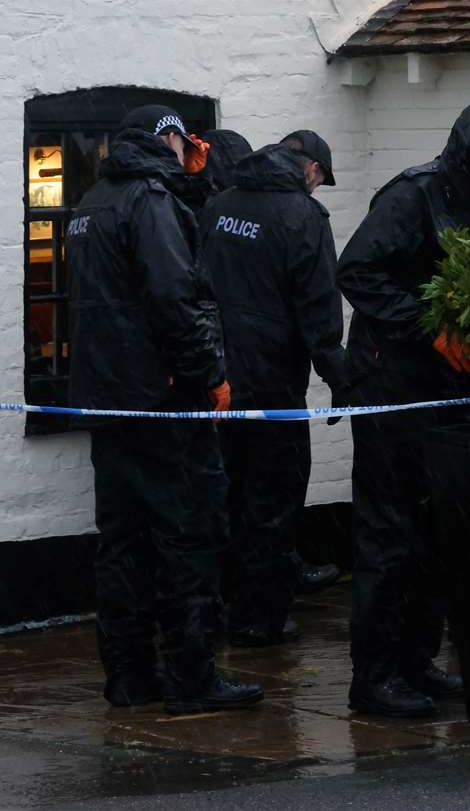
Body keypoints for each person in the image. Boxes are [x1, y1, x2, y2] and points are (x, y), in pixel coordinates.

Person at [337, 101, 470, 717]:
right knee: (388, 533)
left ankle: (417, 660)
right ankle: (375, 676)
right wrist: (430, 327)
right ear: (464, 153)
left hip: (451, 388)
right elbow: (357, 270)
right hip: (393, 387)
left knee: (434, 533)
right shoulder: (413, 196)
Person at [67, 104, 261, 715]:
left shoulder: (93, 201)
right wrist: (209, 376)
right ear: (169, 140)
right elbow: (176, 296)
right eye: (187, 143)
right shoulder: (151, 201)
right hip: (163, 399)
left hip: (109, 400)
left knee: (123, 541)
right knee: (190, 536)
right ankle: (192, 676)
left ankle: (128, 675)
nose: (192, 154)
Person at [201, 130, 348, 647]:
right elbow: (318, 307)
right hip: (272, 384)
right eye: (321, 179)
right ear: (309, 169)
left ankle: (212, 610)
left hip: (215, 380)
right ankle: (259, 617)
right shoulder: (303, 217)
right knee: (274, 498)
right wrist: (338, 375)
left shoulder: (219, 204)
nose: (318, 188)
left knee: (222, 495)